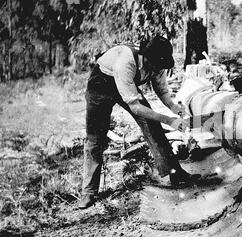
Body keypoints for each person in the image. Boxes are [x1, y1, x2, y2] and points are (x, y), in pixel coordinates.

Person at [79, 36, 199, 209]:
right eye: (156, 66)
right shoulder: (125, 62)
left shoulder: (158, 61)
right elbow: (135, 107)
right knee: (95, 138)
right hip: (101, 84)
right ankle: (88, 192)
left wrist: (175, 109)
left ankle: (175, 173)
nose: (158, 70)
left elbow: (162, 91)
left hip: (127, 86)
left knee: (152, 124)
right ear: (148, 59)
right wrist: (168, 119)